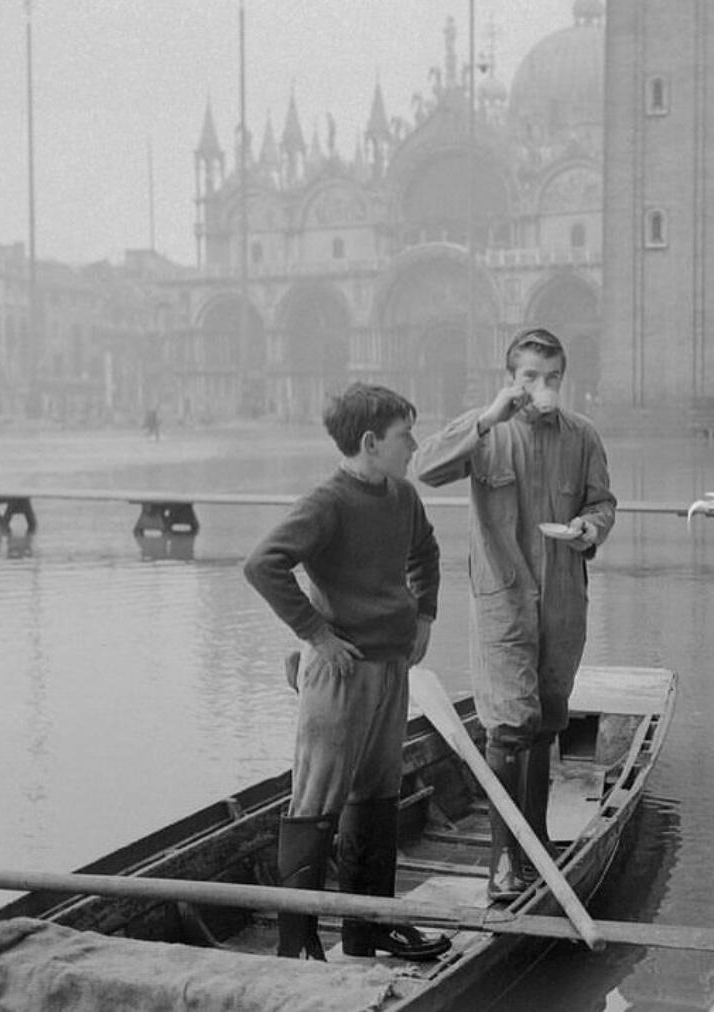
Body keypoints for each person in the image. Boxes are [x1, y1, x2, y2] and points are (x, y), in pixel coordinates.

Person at [243, 383, 451, 963]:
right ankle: (297, 942)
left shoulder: (403, 496)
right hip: (339, 673)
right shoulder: (327, 503)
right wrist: (315, 634)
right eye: (404, 435)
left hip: (391, 666)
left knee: (379, 794)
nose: (414, 445)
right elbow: (263, 565)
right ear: (370, 442)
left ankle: (369, 929)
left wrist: (425, 615)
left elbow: (426, 553)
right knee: (315, 800)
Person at [415, 328, 616, 902]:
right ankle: (504, 861)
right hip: (502, 600)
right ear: (511, 378)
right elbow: (424, 467)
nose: (541, 387)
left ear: (563, 379)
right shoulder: (487, 432)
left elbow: (603, 502)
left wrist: (589, 528)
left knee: (547, 720)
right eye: (530, 376)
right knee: (508, 725)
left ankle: (536, 840)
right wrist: (486, 417)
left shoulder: (582, 436)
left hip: (563, 600)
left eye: (551, 377)